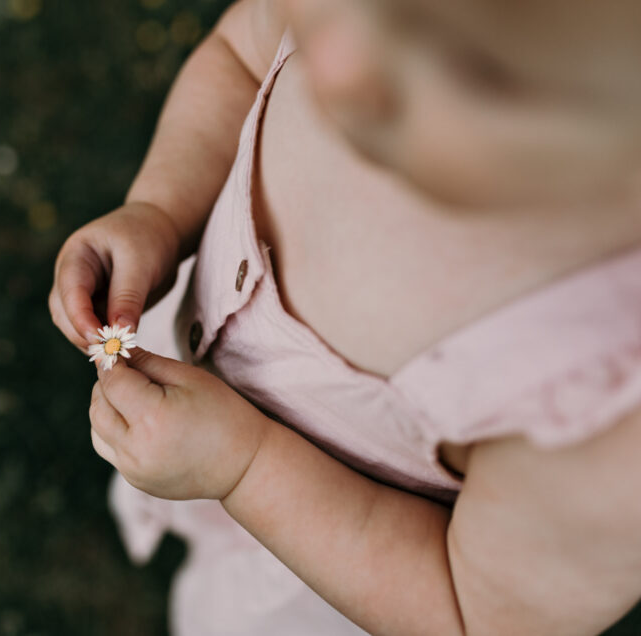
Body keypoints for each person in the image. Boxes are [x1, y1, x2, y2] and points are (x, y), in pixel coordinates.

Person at [49, 0, 641, 633]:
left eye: (479, 75)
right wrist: (160, 211)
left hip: (329, 559)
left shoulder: (608, 409)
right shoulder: (361, 24)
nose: (338, 63)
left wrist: (242, 467)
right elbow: (241, 55)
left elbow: (471, 613)